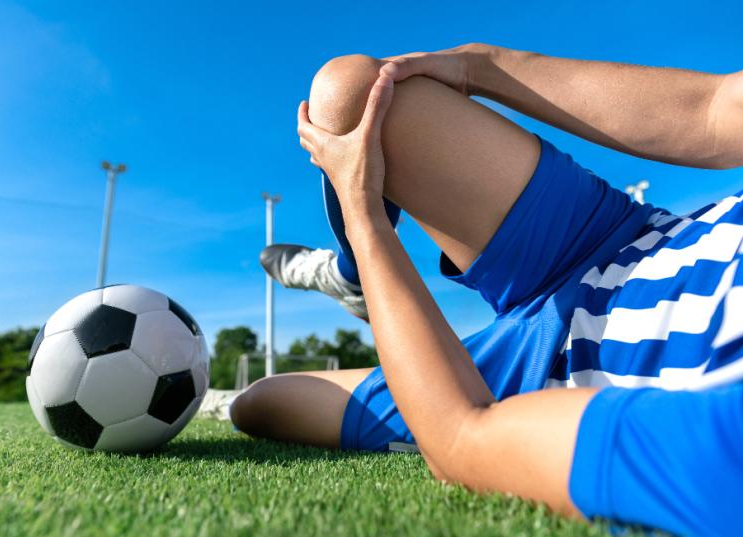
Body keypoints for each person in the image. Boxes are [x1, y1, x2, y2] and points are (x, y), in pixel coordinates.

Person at [229, 44, 743, 535]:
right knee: (350, 92)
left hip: (544, 373)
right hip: (616, 238)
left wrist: (365, 218)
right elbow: (719, 110)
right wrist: (482, 65)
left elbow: (461, 436)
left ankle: (366, 275)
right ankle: (354, 278)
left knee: (261, 402)